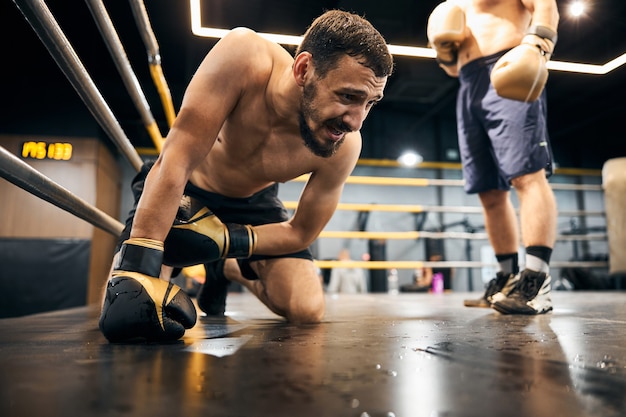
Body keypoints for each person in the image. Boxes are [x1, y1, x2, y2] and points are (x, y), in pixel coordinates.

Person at [98, 10, 394, 342]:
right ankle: (203, 258)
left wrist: (225, 241)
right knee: (130, 306)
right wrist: (139, 264)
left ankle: (227, 265)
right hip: (184, 191)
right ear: (303, 69)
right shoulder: (245, 58)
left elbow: (300, 232)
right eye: (348, 96)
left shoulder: (345, 145)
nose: (356, 121)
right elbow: (176, 160)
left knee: (307, 308)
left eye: (370, 103)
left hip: (253, 205)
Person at [427, 0, 559, 314]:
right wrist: (445, 52)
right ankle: (506, 278)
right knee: (488, 190)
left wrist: (537, 46)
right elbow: (452, 66)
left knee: (527, 175)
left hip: (510, 66)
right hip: (468, 83)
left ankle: (536, 280)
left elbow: (546, 6)